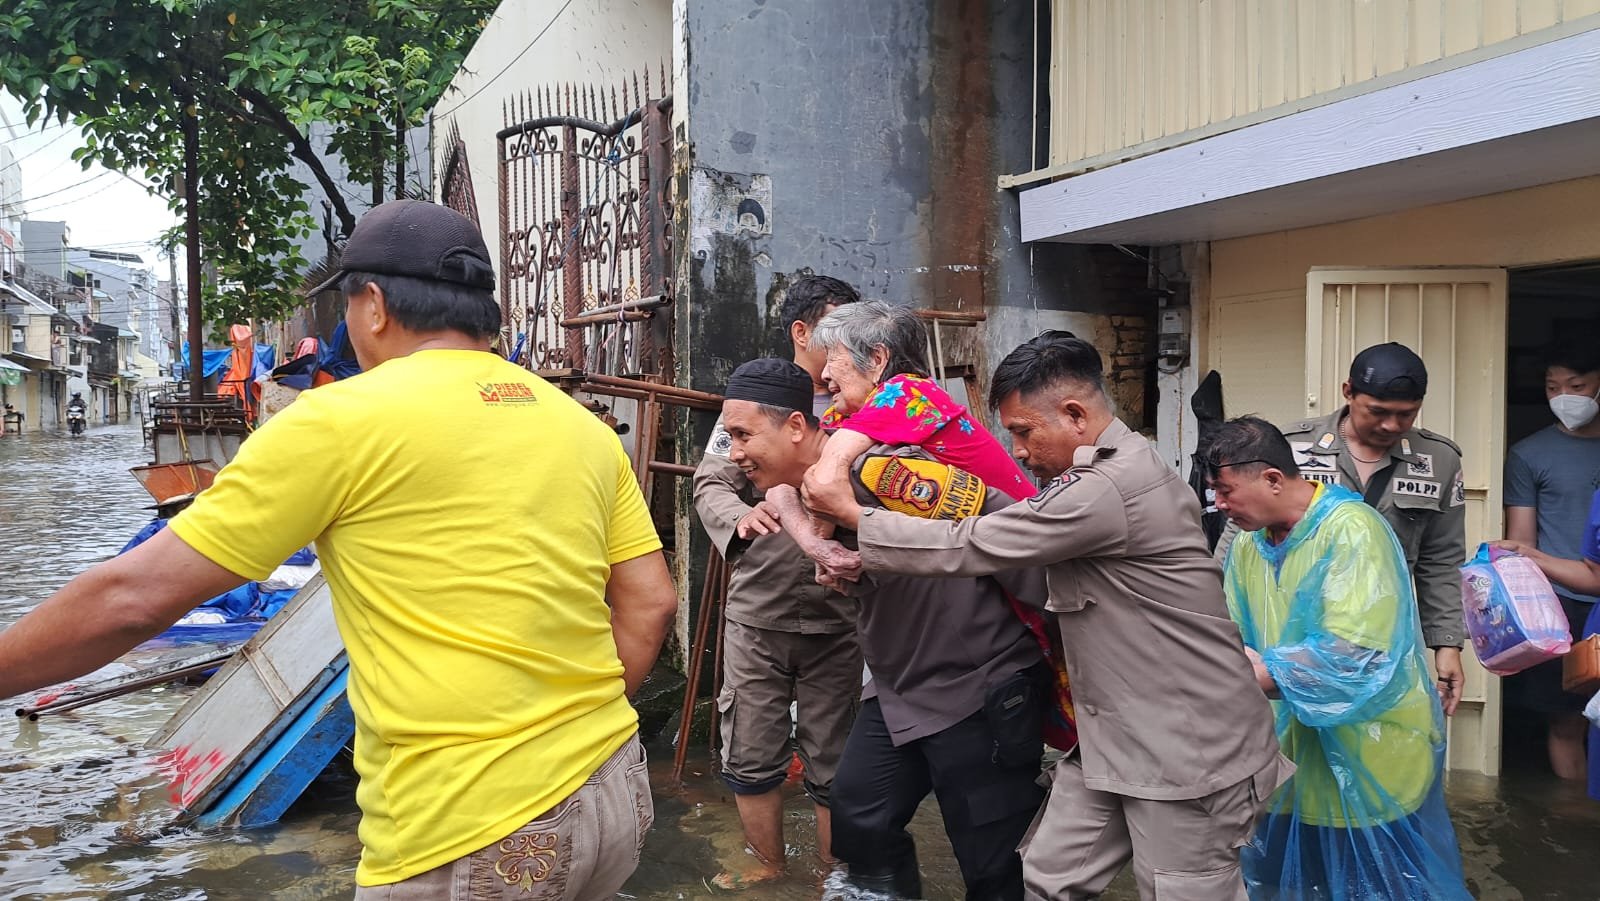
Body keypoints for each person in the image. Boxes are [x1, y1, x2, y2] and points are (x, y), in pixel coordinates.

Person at [0, 199, 679, 899]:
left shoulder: (337, 421)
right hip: (614, 791)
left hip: (471, 824)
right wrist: (561, 745)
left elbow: (131, 599)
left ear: (374, 305)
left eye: (348, 305)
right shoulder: (580, 426)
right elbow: (651, 603)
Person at [804, 331, 1287, 901]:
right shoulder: (1096, 476)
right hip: (1113, 736)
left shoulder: (1111, 487)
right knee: (1046, 876)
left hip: (1186, 752)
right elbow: (1013, 525)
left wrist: (856, 517)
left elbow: (976, 543)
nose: (1019, 451)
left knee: (1179, 891)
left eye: (1024, 432)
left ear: (1075, 415)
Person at [720, 357, 1048, 901]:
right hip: (899, 688)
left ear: (796, 427)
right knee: (858, 815)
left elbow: (1009, 535)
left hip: (977, 684)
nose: (734, 452)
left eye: (742, 435)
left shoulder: (887, 469)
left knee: (991, 859)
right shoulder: (810, 486)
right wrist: (818, 543)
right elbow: (781, 496)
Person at [1206, 416, 1471, 900]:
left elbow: (1354, 660)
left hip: (1369, 755)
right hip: (1288, 759)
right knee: (1286, 886)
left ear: (1272, 479)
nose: (1219, 505)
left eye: (1226, 492)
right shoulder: (1249, 543)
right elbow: (1230, 636)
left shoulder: (1353, 531)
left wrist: (1250, 671)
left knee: (1377, 888)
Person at [802, 301, 1076, 752]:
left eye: (833, 358)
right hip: (991, 562)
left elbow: (823, 476)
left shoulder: (910, 394)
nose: (825, 373)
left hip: (1022, 559)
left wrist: (821, 547)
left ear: (878, 360)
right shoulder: (855, 415)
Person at [691, 275, 863, 888]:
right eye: (834, 330)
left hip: (836, 620)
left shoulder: (863, 408)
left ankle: (831, 874)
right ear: (801, 332)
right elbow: (712, 481)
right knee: (750, 746)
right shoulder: (750, 400)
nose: (843, 344)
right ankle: (766, 865)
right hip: (758, 610)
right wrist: (741, 520)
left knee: (835, 757)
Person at [1214, 342, 1468, 715]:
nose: (1391, 425)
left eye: (1406, 415)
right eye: (1377, 411)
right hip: (1287, 630)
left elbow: (1441, 558)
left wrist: (1447, 644)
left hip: (1379, 635)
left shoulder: (1439, 460)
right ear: (1348, 392)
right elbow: (1236, 543)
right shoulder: (1294, 447)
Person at [1504, 342, 1600, 781]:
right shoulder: (1529, 454)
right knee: (1567, 721)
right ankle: (1573, 813)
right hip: (1562, 604)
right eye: (1552, 387)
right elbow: (1521, 544)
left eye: (1576, 386)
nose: (1563, 397)